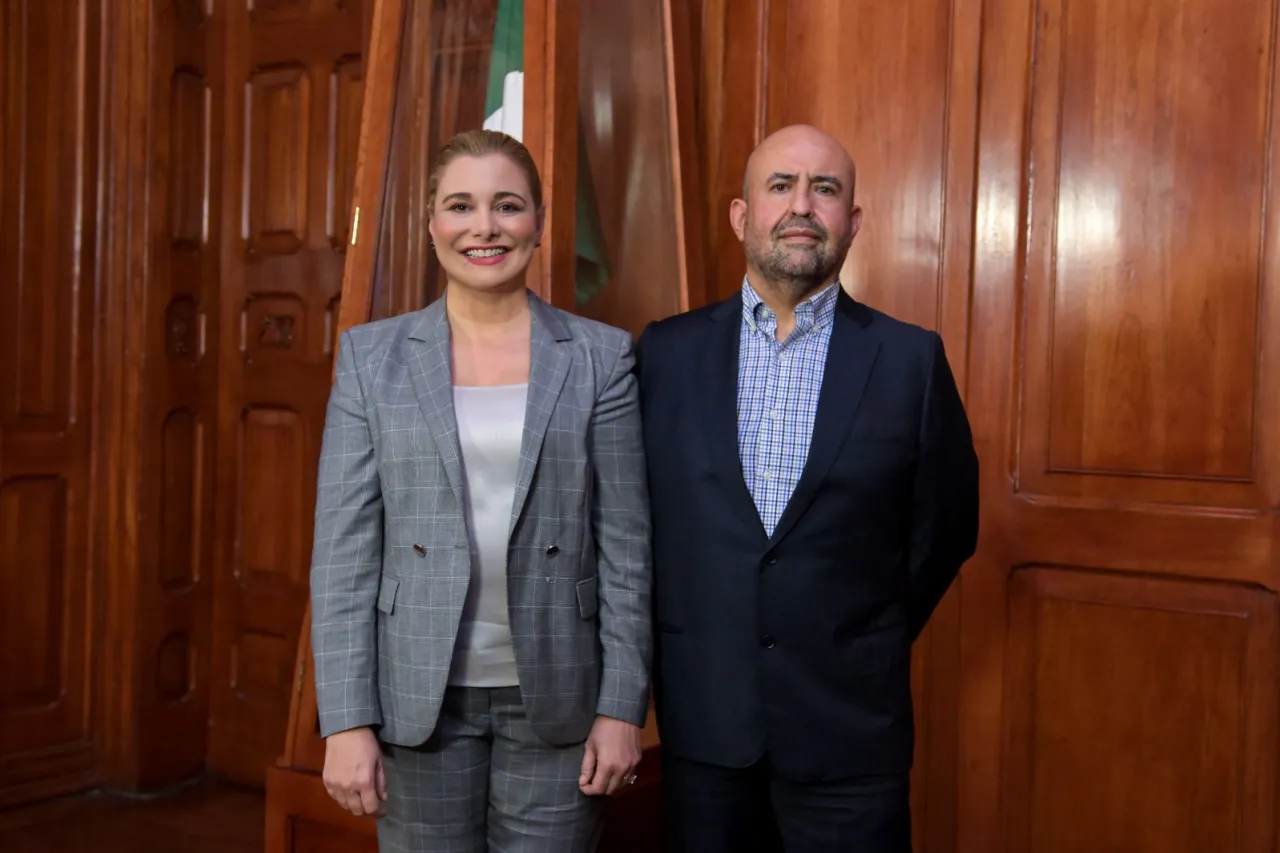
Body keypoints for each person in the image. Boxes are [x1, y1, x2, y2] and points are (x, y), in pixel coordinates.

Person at [635, 123, 980, 852]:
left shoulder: (911, 361)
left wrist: (854, 631)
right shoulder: (664, 353)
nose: (802, 205)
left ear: (851, 222)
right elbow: (637, 525)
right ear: (741, 215)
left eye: (825, 189)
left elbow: (947, 526)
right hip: (706, 728)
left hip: (850, 733)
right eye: (781, 185)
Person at [309, 128, 652, 853]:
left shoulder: (602, 356)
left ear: (539, 221)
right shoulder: (372, 359)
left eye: (507, 205)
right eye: (460, 205)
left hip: (559, 696)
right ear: (430, 221)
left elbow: (627, 546)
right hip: (416, 698)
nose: (484, 227)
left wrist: (623, 707)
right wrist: (345, 719)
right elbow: (342, 555)